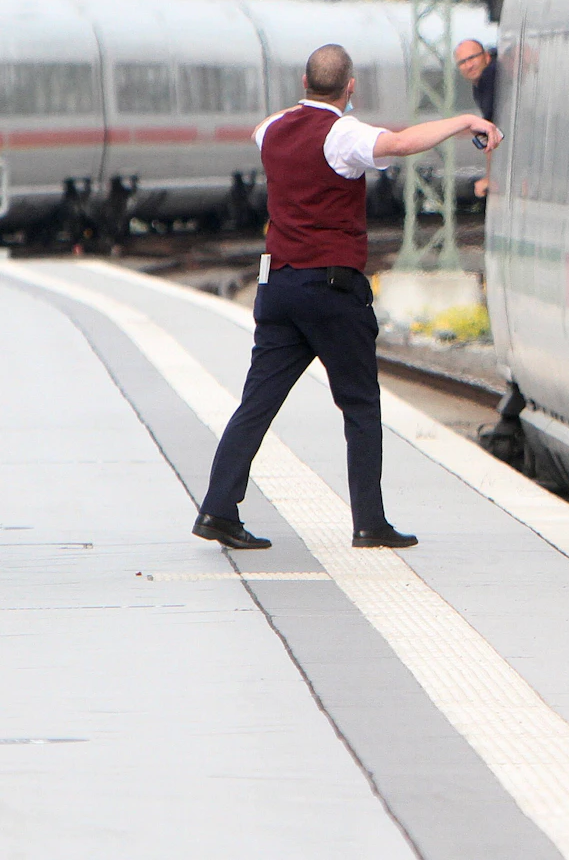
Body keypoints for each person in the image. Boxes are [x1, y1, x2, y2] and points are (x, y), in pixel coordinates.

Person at [192, 44, 502, 551]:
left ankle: (217, 509)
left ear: (303, 82)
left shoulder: (271, 129)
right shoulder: (343, 135)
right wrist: (463, 119)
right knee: (359, 403)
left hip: (278, 290)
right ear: (350, 87)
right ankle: (369, 522)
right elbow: (400, 144)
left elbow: (277, 124)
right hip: (331, 290)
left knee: (256, 404)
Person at [455, 39, 500, 198]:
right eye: (462, 62)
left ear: (486, 57)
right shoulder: (480, 84)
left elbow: (493, 133)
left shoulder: (490, 77)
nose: (468, 65)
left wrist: (490, 179)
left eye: (472, 58)